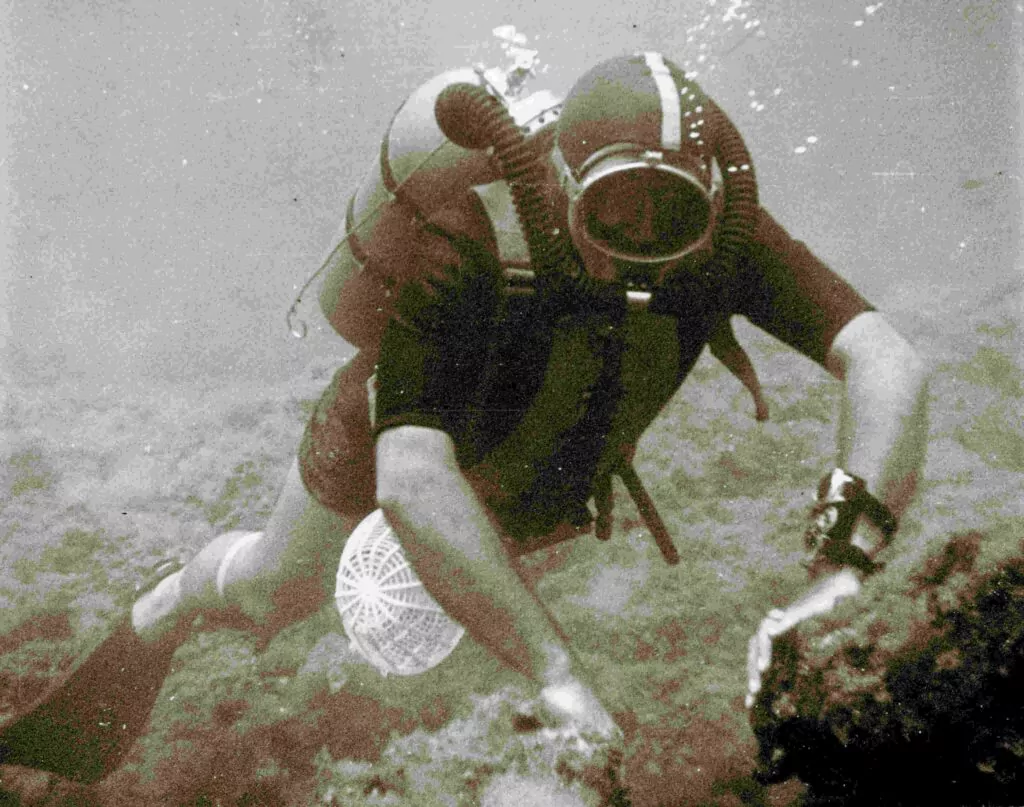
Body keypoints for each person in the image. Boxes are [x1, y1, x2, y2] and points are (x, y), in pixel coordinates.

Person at [0, 51, 929, 791]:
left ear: (712, 201)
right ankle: (171, 597)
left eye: (669, 214)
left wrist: (841, 572)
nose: (639, 252)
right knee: (272, 595)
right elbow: (407, 476)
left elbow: (886, 361)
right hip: (385, 447)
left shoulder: (726, 242)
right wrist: (556, 672)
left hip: (523, 476)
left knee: (480, 560)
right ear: (562, 180)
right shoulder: (471, 238)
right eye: (614, 211)